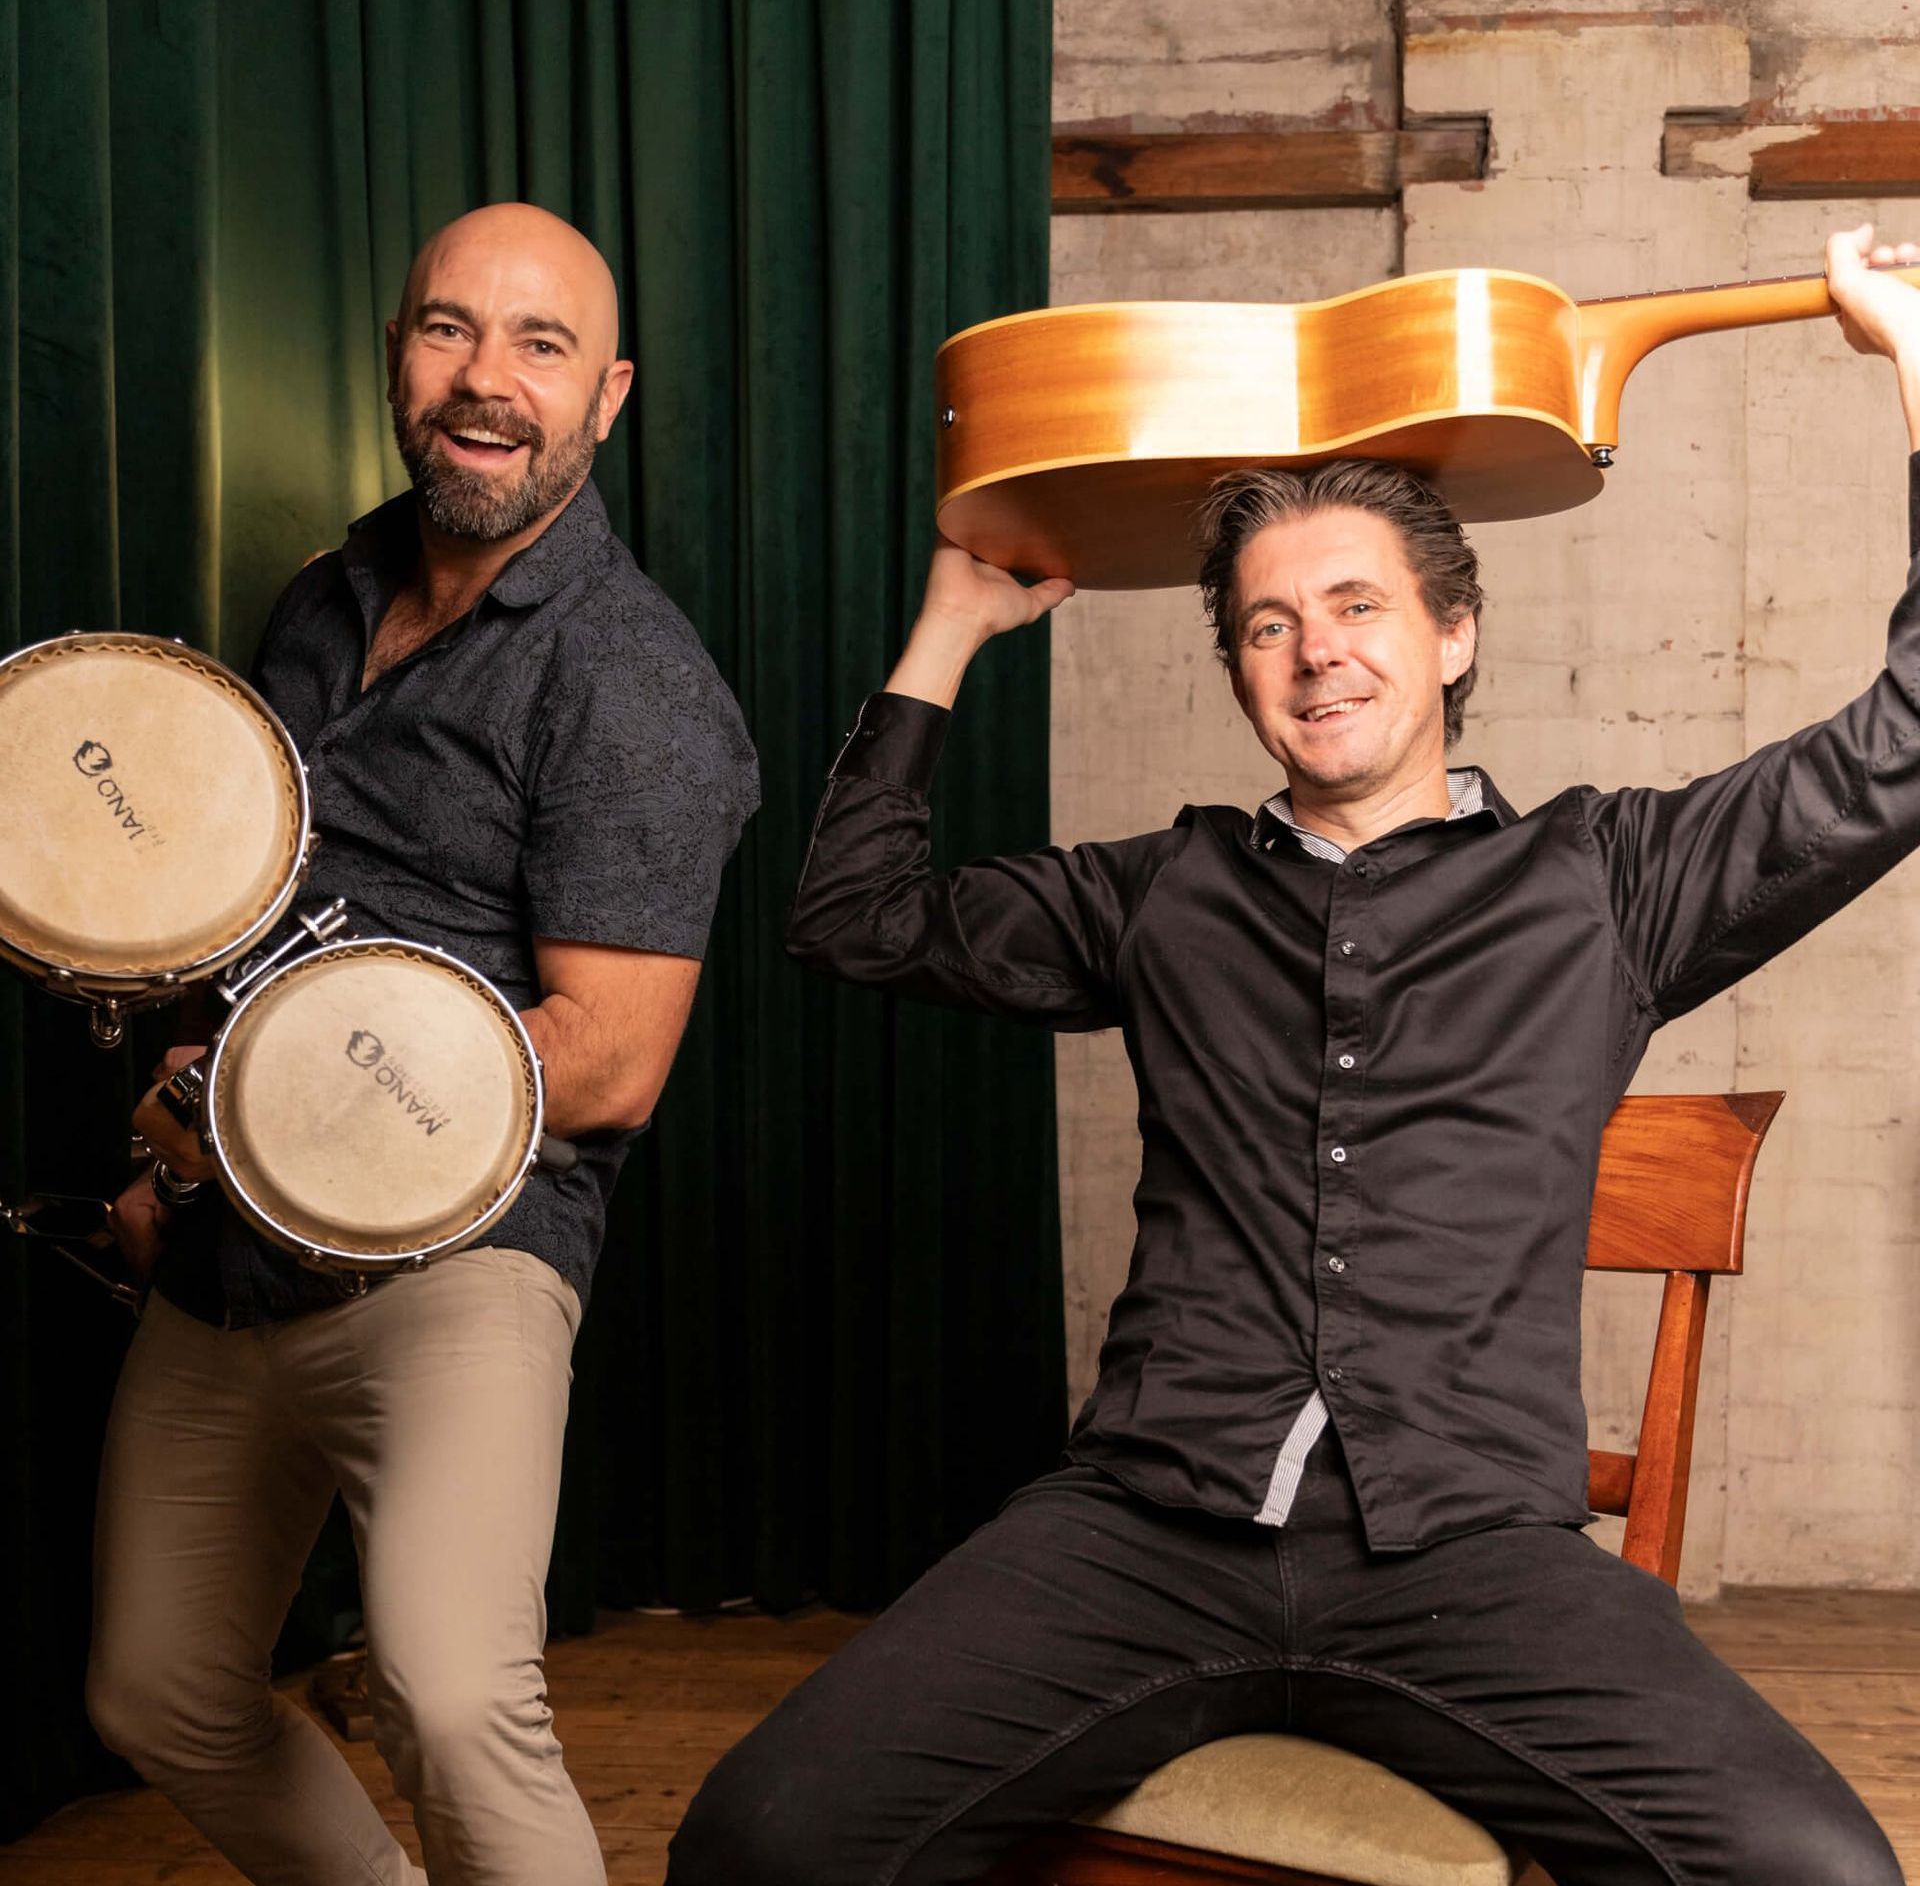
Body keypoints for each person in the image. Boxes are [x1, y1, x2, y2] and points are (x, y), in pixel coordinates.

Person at [665, 225, 1919, 1886]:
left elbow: (1904, 745)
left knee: (1811, 1874)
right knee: (762, 1841)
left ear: (1452, 635)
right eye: (1267, 625)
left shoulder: (1612, 883)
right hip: (1141, 1537)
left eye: (1353, 604)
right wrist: (950, 627)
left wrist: (1914, 364)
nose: (1316, 649)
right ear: (1243, 676)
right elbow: (854, 916)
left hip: (1472, 1560)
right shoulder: (1163, 893)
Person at [85, 203, 759, 1886]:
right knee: (156, 1690)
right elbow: (226, 904)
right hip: (230, 1247)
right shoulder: (322, 597)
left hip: (463, 1258)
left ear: (607, 398)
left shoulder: (634, 683)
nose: (486, 380)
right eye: (449, 330)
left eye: (539, 346)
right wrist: (182, 1121)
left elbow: (606, 1058)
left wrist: (291, 1111)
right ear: (400, 359)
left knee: (455, 1699)